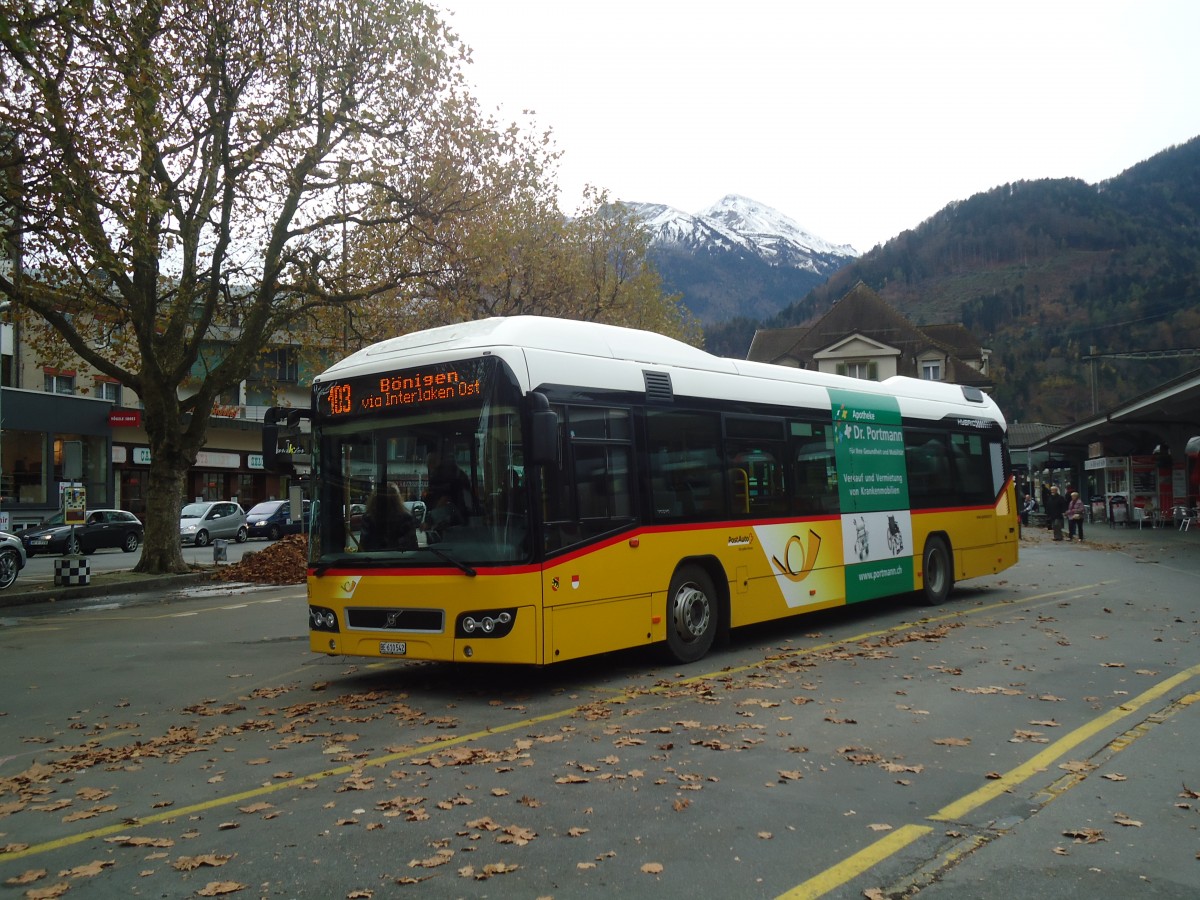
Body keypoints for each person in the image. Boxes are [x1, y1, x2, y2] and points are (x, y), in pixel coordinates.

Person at [360, 483, 417, 551]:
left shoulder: (369, 518)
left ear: (375, 499)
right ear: (397, 499)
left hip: (374, 559)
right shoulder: (406, 518)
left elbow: (363, 546)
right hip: (401, 559)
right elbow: (412, 546)